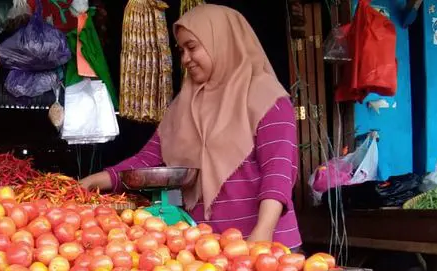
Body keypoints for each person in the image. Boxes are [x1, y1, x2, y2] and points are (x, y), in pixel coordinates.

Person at [80, 5, 301, 249]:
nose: (185, 59)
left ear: (222, 42)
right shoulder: (183, 105)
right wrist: (97, 180)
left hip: (266, 249)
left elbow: (278, 173)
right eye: (181, 50)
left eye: (192, 47)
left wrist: (262, 234)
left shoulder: (268, 99)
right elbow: (149, 159)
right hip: (203, 250)